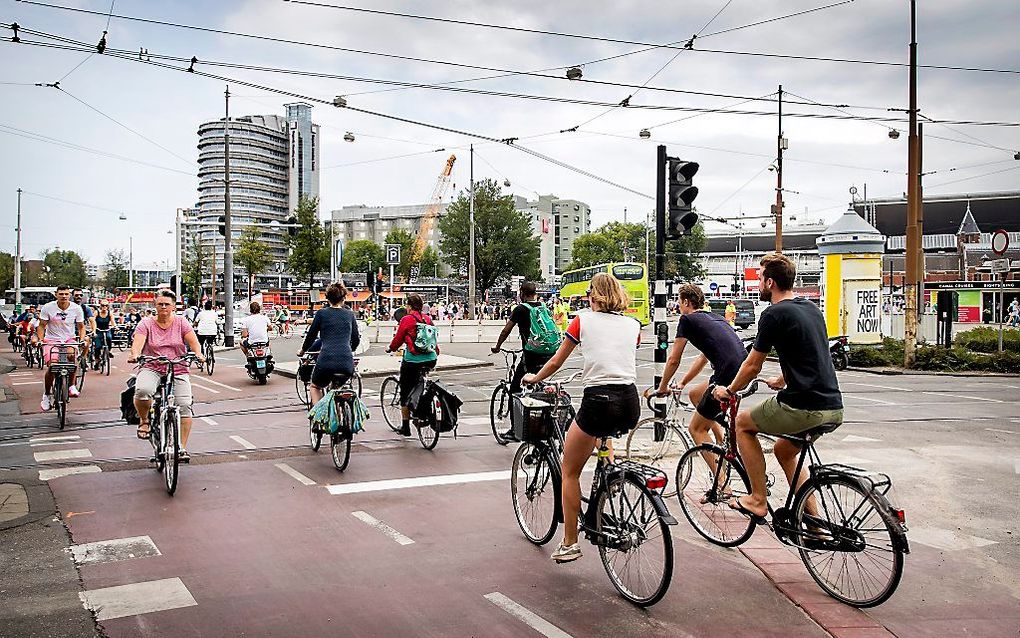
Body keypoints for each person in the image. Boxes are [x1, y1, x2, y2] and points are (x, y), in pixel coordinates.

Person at [712, 253, 844, 521]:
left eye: (760, 278)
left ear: (770, 282)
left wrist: (730, 389)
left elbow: (752, 366)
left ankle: (758, 499)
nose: (759, 282)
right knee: (785, 450)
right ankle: (814, 524)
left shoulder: (774, 314)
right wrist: (782, 380)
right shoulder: (810, 308)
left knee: (742, 425)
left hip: (803, 405)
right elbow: (808, 353)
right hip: (832, 407)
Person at [523, 272, 642, 563]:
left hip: (598, 400)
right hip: (629, 400)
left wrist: (534, 377)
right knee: (605, 434)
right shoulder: (633, 324)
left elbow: (556, 360)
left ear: (593, 295)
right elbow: (619, 352)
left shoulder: (582, 320)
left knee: (570, 470)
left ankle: (570, 542)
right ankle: (609, 477)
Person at [645, 283, 748, 458]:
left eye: (678, 301)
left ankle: (722, 483)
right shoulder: (715, 317)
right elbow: (703, 357)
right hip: (743, 371)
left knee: (696, 429)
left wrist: (662, 387)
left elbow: (673, 359)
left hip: (726, 375)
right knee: (695, 395)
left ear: (686, 302)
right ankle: (720, 439)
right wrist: (683, 382)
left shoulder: (687, 320)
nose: (677, 305)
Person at [128, 289, 204, 461]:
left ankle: (181, 447)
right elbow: (138, 343)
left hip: (177, 366)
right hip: (152, 365)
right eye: (160, 304)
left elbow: (193, 342)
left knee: (184, 404)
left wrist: (198, 353)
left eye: (167, 304)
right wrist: (134, 354)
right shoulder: (146, 323)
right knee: (143, 390)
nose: (163, 307)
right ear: (155, 305)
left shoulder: (181, 322)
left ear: (173, 307)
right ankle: (145, 420)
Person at [491, 281, 561, 395]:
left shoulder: (520, 309)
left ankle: (519, 411)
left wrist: (497, 346)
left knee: (514, 389)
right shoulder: (543, 306)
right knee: (539, 384)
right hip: (550, 352)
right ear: (535, 293)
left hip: (532, 354)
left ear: (522, 293)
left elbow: (506, 331)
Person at [297, 283, 360, 407]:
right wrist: (348, 350)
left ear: (327, 298)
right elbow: (356, 339)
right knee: (341, 385)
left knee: (315, 386)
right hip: (346, 363)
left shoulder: (321, 313)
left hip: (326, 361)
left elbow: (311, 336)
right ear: (343, 298)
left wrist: (303, 351)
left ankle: (319, 419)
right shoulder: (349, 314)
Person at [385, 293, 439, 436]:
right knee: (421, 383)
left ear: (409, 306)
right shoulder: (427, 319)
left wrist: (391, 348)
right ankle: (422, 407)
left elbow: (398, 339)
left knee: (405, 390)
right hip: (431, 358)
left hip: (413, 360)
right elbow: (433, 339)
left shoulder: (406, 319)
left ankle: (405, 427)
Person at [37, 285, 87, 411]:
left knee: (72, 357)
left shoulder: (76, 308)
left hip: (68, 339)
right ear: (56, 295)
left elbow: (81, 327)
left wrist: (81, 340)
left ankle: (71, 385)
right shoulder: (48, 307)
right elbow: (42, 326)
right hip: (51, 340)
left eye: (66, 294)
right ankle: (47, 394)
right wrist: (40, 340)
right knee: (53, 365)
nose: (64, 296)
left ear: (69, 295)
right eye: (61, 294)